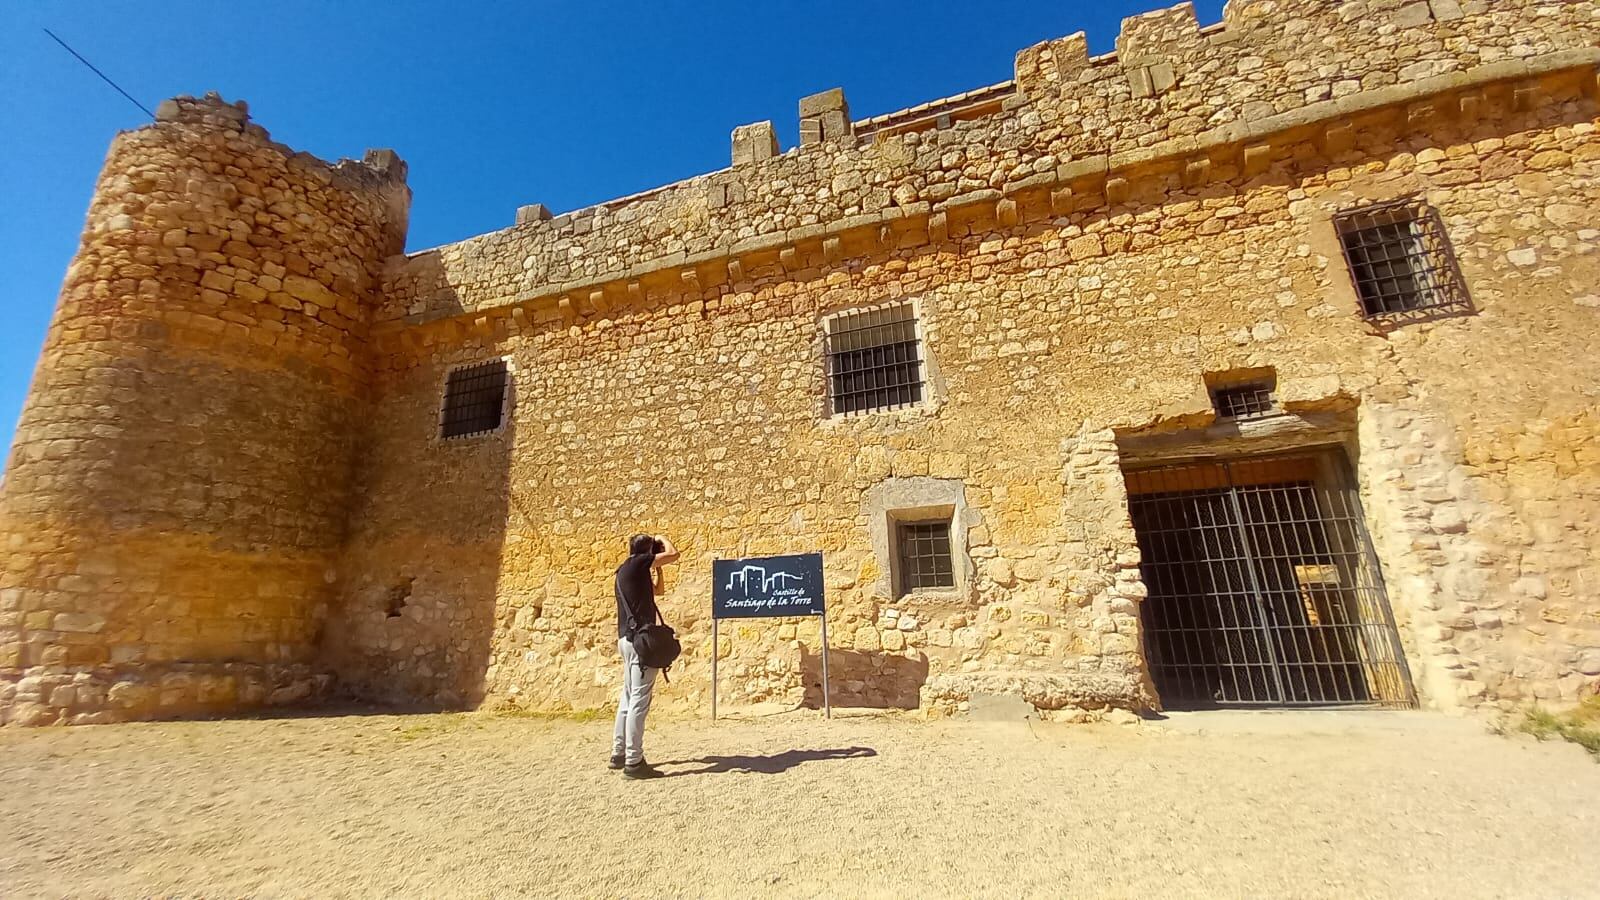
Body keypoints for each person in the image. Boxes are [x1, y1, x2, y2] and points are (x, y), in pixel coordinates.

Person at [611, 532, 679, 778]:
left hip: (627, 641)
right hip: (640, 643)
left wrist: (658, 570)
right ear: (647, 552)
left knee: (628, 698)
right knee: (639, 701)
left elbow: (657, 592)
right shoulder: (639, 562)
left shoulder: (626, 570)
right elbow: (673, 554)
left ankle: (619, 753)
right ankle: (634, 761)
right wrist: (662, 538)